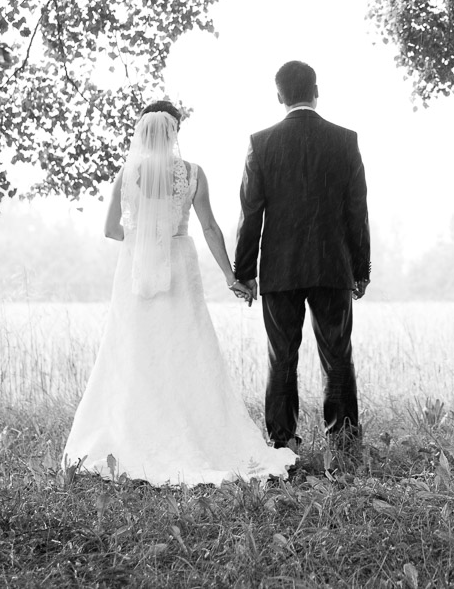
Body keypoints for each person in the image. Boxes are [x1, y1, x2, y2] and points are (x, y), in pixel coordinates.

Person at [62, 100, 296, 486]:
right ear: (175, 133)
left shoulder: (128, 174)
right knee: (187, 345)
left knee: (134, 350)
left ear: (143, 133)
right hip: (180, 266)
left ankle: (134, 432)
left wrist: (142, 242)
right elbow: (209, 228)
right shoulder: (192, 173)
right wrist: (231, 276)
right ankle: (200, 432)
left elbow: (110, 230)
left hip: (135, 274)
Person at [235, 61, 371, 461]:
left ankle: (282, 444)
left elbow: (250, 213)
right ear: (316, 89)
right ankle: (343, 443)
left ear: (279, 96)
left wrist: (245, 272)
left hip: (280, 268)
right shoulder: (345, 140)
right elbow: (356, 211)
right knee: (337, 355)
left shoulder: (261, 143)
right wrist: (360, 269)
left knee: (283, 356)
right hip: (332, 266)